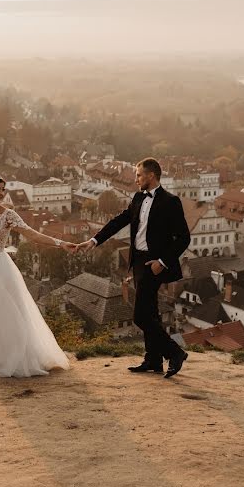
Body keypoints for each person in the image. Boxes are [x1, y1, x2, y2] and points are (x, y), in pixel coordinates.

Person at [70, 158, 191, 378]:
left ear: (151, 175)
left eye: (139, 175)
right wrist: (94, 241)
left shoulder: (170, 201)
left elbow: (184, 238)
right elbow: (119, 221)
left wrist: (162, 262)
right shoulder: (137, 197)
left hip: (154, 265)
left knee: (140, 317)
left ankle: (175, 352)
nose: (135, 179)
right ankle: (153, 359)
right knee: (151, 313)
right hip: (138, 262)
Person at [0, 174, 73, 377]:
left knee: (9, 314)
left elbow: (32, 234)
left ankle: (16, 359)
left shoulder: (8, 215)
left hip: (0, 268)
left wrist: (60, 243)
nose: (1, 193)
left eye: (3, 189)